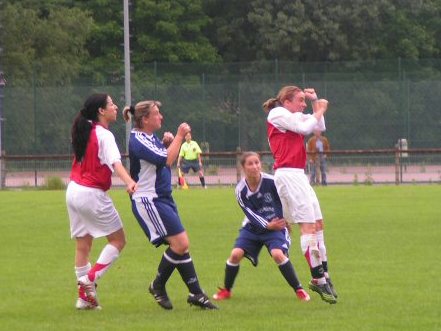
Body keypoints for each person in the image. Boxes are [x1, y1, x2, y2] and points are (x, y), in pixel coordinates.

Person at [123, 101, 217, 310]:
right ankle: (157, 285)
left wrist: (166, 143)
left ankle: (196, 294)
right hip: (150, 200)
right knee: (181, 244)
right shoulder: (138, 140)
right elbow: (166, 160)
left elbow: (158, 160)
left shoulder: (149, 137)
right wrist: (180, 135)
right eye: (156, 114)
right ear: (145, 119)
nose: (161, 117)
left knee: (180, 246)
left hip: (163, 198)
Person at [263, 86, 338, 304]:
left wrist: (316, 103)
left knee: (318, 224)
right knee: (307, 226)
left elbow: (318, 125)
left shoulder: (292, 115)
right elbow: (305, 127)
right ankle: (316, 279)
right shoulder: (277, 114)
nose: (303, 105)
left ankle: (324, 274)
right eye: (301, 100)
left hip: (298, 176)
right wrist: (319, 109)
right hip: (288, 175)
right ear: (286, 100)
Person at [66, 93, 137, 310]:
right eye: (111, 104)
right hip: (91, 194)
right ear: (101, 111)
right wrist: (130, 182)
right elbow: (116, 163)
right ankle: (89, 280)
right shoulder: (104, 135)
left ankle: (84, 299)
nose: (116, 107)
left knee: (83, 245)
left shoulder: (85, 129)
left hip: (73, 191)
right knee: (118, 240)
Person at [213, 152, 310, 302]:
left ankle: (299, 289)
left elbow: (285, 199)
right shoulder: (240, 190)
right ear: (243, 167)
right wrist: (266, 225)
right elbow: (249, 213)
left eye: (257, 162)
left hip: (276, 226)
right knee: (235, 255)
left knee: (278, 255)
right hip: (252, 228)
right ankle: (226, 290)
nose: (255, 166)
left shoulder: (272, 182)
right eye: (250, 164)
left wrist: (286, 219)